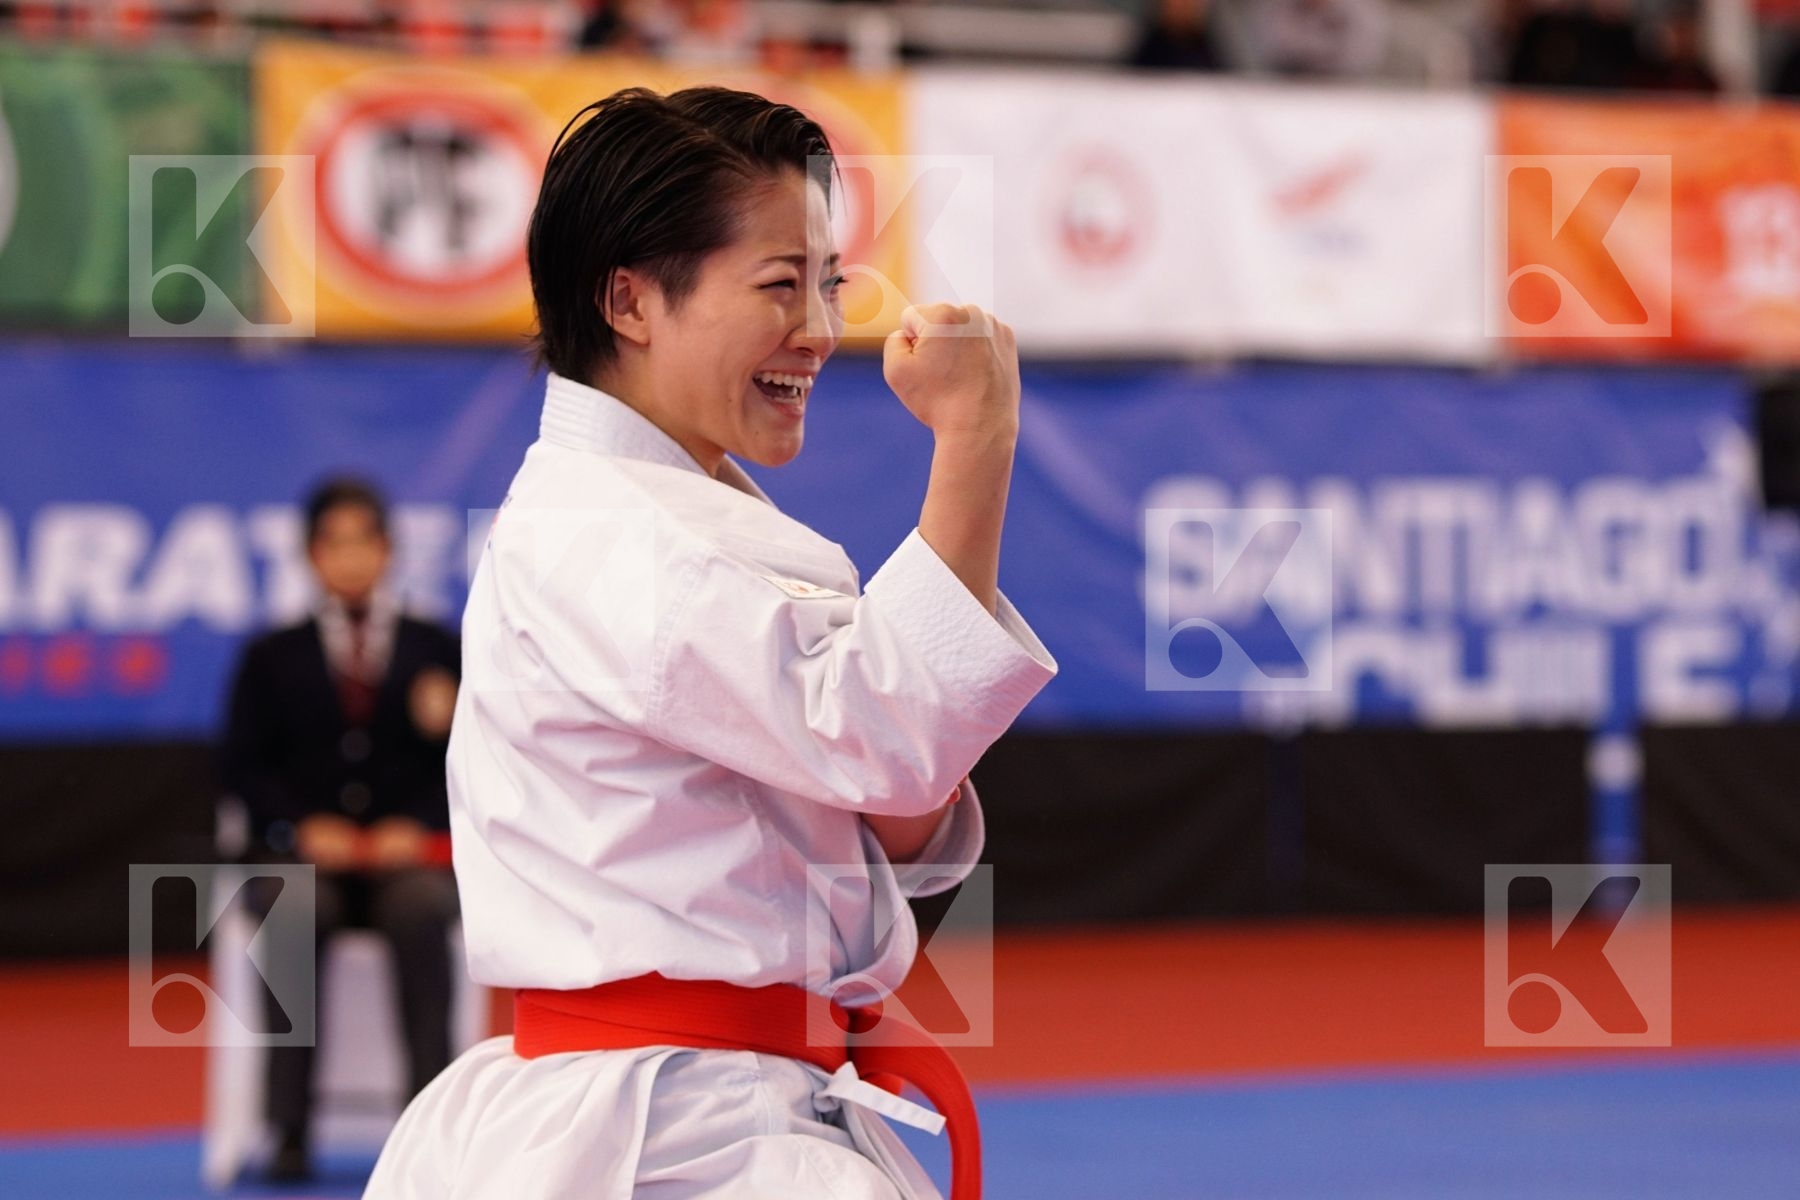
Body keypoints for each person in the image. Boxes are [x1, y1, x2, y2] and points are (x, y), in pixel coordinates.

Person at [363, 86, 1057, 1199]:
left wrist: (898, 761)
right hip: (681, 1129)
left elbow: (883, 797)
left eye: (826, 285)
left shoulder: (666, 518)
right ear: (632, 302)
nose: (822, 331)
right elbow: (885, 743)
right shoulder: (622, 536)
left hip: (710, 1096)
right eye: (780, 285)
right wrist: (979, 437)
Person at [221, 476, 462, 1184]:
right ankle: (288, 1131)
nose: (352, 559)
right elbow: (239, 767)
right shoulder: (270, 656)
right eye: (336, 544)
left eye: (366, 542)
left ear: (388, 550)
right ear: (310, 555)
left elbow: (471, 761)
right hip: (303, 864)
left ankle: (430, 1126)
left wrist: (416, 827)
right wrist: (300, 828)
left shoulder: (436, 647)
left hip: (404, 864)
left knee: (422, 910)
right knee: (295, 913)